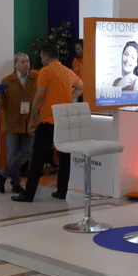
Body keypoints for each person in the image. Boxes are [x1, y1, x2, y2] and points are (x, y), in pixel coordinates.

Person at [12, 43, 82, 203]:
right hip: (64, 120)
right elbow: (80, 87)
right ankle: (62, 191)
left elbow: (38, 97)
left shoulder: (45, 71)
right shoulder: (67, 71)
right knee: (65, 157)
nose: (41, 59)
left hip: (48, 121)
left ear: (46, 56)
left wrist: (32, 120)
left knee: (37, 159)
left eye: (41, 56)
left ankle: (28, 194)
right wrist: (68, 98)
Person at [0, 53, 37, 195]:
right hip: (12, 123)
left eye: (27, 61)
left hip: (29, 122)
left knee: (27, 152)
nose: (26, 64)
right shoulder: (7, 81)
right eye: (23, 62)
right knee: (12, 155)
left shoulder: (35, 78)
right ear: (16, 64)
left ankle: (2, 174)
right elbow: (3, 105)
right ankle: (15, 184)